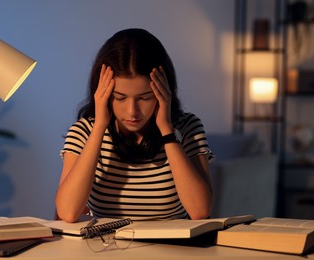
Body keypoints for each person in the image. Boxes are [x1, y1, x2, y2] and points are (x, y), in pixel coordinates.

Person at [55, 28, 214, 223]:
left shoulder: (188, 128)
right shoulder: (84, 132)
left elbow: (200, 211)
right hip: (104, 250)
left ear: (163, 91)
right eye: (120, 98)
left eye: (145, 98)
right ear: (102, 94)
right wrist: (99, 128)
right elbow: (68, 212)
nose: (132, 111)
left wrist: (166, 130)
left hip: (172, 250)